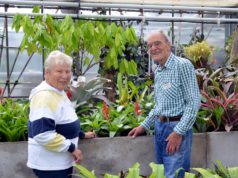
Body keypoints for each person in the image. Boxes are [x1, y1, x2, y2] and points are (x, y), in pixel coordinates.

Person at [128, 31, 200, 178]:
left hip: (176, 128)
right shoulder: (159, 71)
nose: (153, 48)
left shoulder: (183, 65)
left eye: (157, 43)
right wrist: (144, 126)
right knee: (162, 173)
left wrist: (178, 133)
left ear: (169, 45)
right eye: (150, 46)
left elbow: (193, 103)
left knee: (173, 175)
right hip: (160, 129)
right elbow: (159, 106)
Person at [27, 50, 95, 178]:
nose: (64, 76)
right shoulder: (44, 97)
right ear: (47, 73)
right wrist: (71, 148)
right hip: (50, 166)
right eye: (59, 71)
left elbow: (62, 120)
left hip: (58, 163)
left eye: (67, 71)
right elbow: (43, 134)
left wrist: (80, 134)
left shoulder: (57, 92)